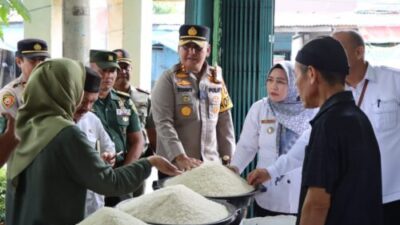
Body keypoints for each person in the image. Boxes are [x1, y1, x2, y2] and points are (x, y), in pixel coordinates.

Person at [248, 30, 400, 225]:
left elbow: (317, 205)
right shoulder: (354, 115)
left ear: (311, 74)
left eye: (296, 77)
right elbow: (304, 144)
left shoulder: (330, 123)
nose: (297, 86)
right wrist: (272, 171)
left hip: (392, 199)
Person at [5, 58, 181, 225]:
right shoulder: (65, 133)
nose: (86, 108)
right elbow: (110, 183)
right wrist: (150, 162)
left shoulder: (21, 124)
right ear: (66, 90)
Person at [230, 61, 315, 217]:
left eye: (281, 82)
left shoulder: (310, 110)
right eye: (270, 80)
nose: (273, 86)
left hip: (301, 194)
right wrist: (235, 168)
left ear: (294, 84)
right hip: (268, 193)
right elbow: (247, 146)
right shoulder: (260, 108)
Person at [151, 24, 235, 174]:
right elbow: (163, 123)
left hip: (210, 165)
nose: (191, 52)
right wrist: (180, 156)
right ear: (178, 49)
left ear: (208, 50)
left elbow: (224, 121)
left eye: (197, 48)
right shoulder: (168, 79)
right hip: (176, 168)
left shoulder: (216, 79)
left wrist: (229, 160)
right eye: (186, 47)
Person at [89, 49, 144, 206]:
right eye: (103, 70)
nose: (108, 76)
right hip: (92, 174)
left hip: (121, 172)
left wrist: (124, 172)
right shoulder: (81, 102)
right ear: (91, 68)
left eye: (112, 70)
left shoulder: (124, 102)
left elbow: (137, 140)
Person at [112, 48, 156, 197]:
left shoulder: (143, 98)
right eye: (118, 68)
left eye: (126, 67)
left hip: (138, 163)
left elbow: (152, 130)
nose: (122, 72)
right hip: (114, 163)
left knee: (136, 206)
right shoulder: (104, 98)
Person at [74, 66, 116, 216]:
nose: (87, 107)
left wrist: (109, 157)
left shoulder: (92, 120)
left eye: (92, 102)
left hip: (93, 202)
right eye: (83, 101)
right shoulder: (56, 122)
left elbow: (109, 147)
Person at [0, 38, 49, 117]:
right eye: (32, 61)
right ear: (19, 62)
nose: (39, 65)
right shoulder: (10, 94)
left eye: (42, 60)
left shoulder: (53, 86)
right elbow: (12, 128)